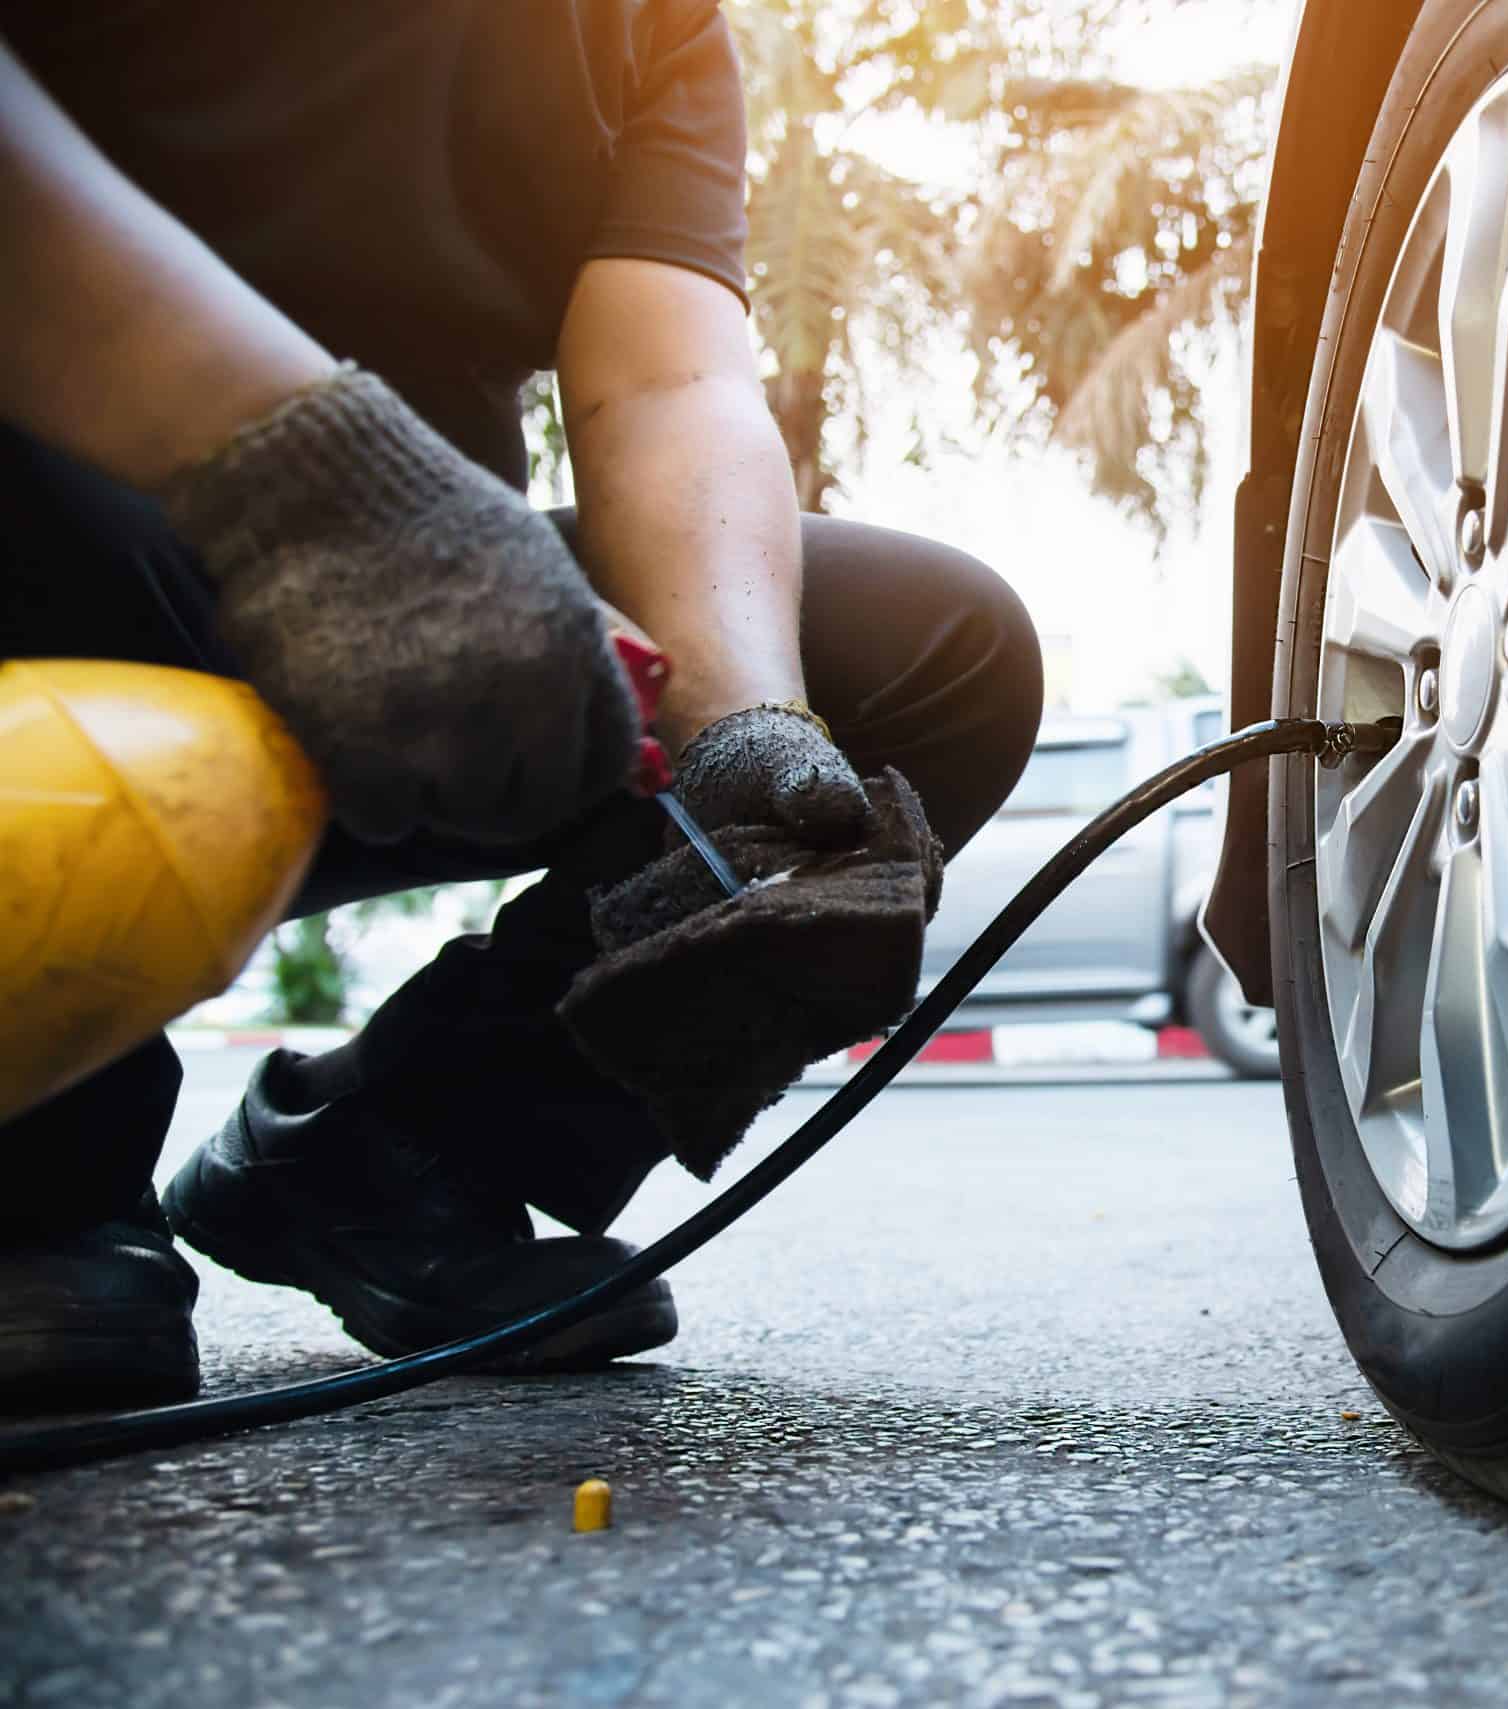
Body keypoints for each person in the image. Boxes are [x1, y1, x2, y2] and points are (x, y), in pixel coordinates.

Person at [0, 2, 1044, 1406]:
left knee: (935, 656)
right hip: (65, 570)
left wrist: (747, 735)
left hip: (417, 639)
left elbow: (668, 378)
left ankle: (402, 1153)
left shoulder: (644, 28)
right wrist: (313, 484)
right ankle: (40, 1178)